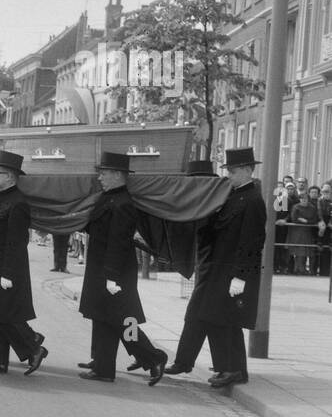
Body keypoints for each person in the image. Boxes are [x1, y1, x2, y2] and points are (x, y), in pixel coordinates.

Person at [75, 152, 168, 385]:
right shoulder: (108, 198)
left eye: (104, 173)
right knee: (104, 317)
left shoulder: (123, 204)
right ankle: (102, 364)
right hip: (102, 268)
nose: (100, 177)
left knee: (123, 320)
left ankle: (153, 357)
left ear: (118, 175)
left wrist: (111, 277)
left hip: (114, 271)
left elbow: (118, 241)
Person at [184, 147, 267, 388]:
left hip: (235, 271)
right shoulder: (233, 196)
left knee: (226, 321)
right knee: (220, 319)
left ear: (247, 170)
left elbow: (253, 241)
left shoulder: (253, 200)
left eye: (232, 171)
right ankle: (230, 368)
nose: (228, 175)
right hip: (222, 268)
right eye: (228, 171)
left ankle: (233, 370)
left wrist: (240, 277)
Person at [0, 151, 46, 375]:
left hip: (6, 264)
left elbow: (17, 242)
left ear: (11, 177)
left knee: (5, 312)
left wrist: (8, 273)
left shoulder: (18, 203)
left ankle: (34, 348)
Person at [164, 159, 226, 378]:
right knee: (202, 317)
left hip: (218, 269)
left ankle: (188, 362)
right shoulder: (205, 201)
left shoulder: (217, 203)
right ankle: (187, 361)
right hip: (207, 266)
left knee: (202, 316)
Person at [286, 187, 319, 275]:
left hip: (307, 232)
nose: (304, 200)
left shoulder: (312, 208)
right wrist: (301, 220)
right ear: (299, 199)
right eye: (302, 199)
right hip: (296, 232)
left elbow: (314, 219)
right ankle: (298, 269)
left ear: (308, 199)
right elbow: (293, 219)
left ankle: (304, 269)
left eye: (305, 199)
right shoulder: (295, 207)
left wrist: (305, 220)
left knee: (306, 252)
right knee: (298, 252)